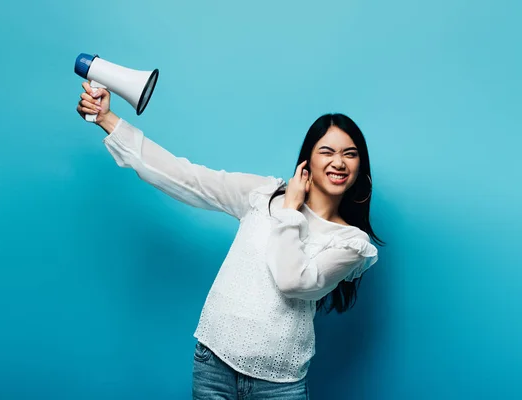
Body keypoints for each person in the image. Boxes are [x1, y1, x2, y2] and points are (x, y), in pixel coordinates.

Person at [76, 82, 382, 399]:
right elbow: (184, 176)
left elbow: (294, 281)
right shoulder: (262, 194)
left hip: (279, 387)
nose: (339, 162)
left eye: (350, 154)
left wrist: (291, 211)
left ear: (360, 168)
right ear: (307, 161)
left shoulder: (350, 242)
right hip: (213, 366)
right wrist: (107, 118)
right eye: (327, 152)